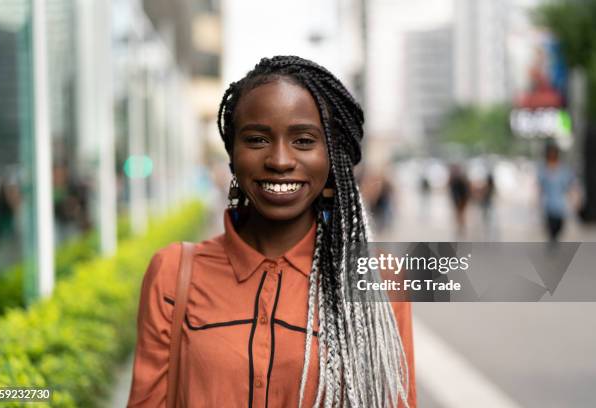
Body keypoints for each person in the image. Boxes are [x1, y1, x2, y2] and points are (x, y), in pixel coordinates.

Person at [127, 56, 416, 407]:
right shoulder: (173, 274)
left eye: (304, 141)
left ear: (332, 157)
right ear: (232, 154)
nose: (279, 160)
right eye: (258, 139)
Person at [537, 142, 574, 242]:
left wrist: (573, 199)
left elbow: (568, 186)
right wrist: (537, 201)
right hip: (548, 205)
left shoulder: (563, 170)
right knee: (550, 229)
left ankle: (554, 241)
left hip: (560, 206)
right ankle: (552, 242)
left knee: (559, 228)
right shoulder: (544, 170)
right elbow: (540, 186)